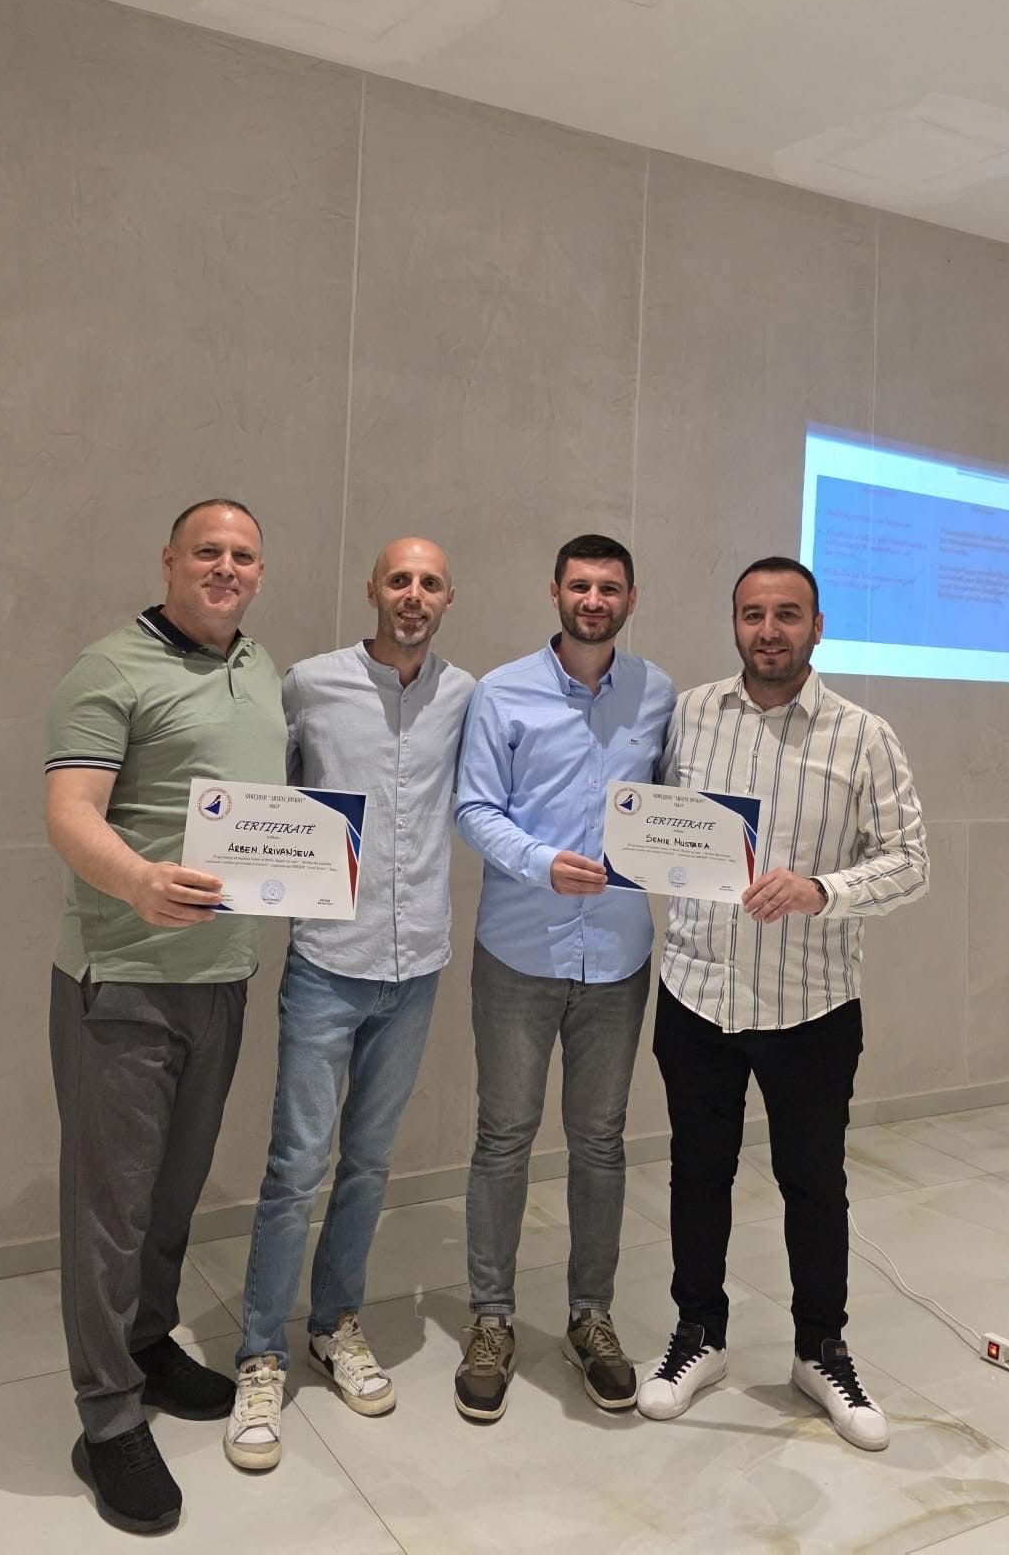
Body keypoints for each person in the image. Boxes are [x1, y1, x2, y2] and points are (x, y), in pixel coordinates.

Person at [636, 557, 929, 1450]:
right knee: (698, 1173)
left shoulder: (864, 736)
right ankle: (699, 1333)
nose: (769, 630)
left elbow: (911, 863)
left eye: (788, 614)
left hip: (811, 1003)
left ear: (817, 626)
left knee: (813, 1181)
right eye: (753, 614)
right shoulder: (688, 715)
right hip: (698, 990)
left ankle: (820, 1348)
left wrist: (822, 890)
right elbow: (650, 823)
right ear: (734, 623)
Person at [45, 500, 286, 1535]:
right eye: (207, 552)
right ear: (170, 561)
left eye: (243, 555)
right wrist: (139, 880)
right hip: (123, 981)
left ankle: (146, 1345)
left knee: (173, 1194)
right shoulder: (109, 667)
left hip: (221, 976)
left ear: (259, 573)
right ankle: (106, 1416)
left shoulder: (261, 670)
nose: (225, 567)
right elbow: (70, 812)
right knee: (110, 1207)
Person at [224, 538, 475, 1472]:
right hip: (329, 961)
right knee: (296, 1166)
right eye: (398, 579)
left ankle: (334, 1323)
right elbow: (266, 798)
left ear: (448, 598)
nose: (413, 594)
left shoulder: (465, 696)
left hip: (417, 968)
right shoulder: (309, 684)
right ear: (372, 588)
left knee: (368, 1164)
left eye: (429, 583)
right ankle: (260, 1354)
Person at [452, 533, 675, 1422]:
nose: (593, 599)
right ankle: (491, 1319)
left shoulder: (658, 693)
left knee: (601, 1142)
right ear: (554, 592)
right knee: (503, 1138)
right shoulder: (501, 691)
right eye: (579, 585)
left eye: (609, 587)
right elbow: (474, 807)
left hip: (618, 957)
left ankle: (591, 1316)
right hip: (520, 951)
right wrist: (541, 862)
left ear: (630, 598)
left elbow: (676, 812)